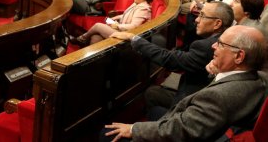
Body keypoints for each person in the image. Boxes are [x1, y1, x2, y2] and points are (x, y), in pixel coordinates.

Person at [104, 24, 267, 142]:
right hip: (200, 123)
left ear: (239, 57)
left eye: (221, 44)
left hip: (183, 131)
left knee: (106, 134)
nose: (213, 46)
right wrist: (220, 72)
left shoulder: (218, 96)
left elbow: (179, 131)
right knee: (155, 110)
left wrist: (133, 129)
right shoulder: (260, 78)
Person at [71, 0, 152, 46]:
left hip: (127, 35)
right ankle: (94, 64)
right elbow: (126, 14)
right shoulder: (137, 3)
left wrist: (117, 26)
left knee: (98, 25)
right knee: (95, 37)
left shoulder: (143, 9)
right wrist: (114, 18)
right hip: (121, 29)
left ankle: (81, 39)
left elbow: (134, 26)